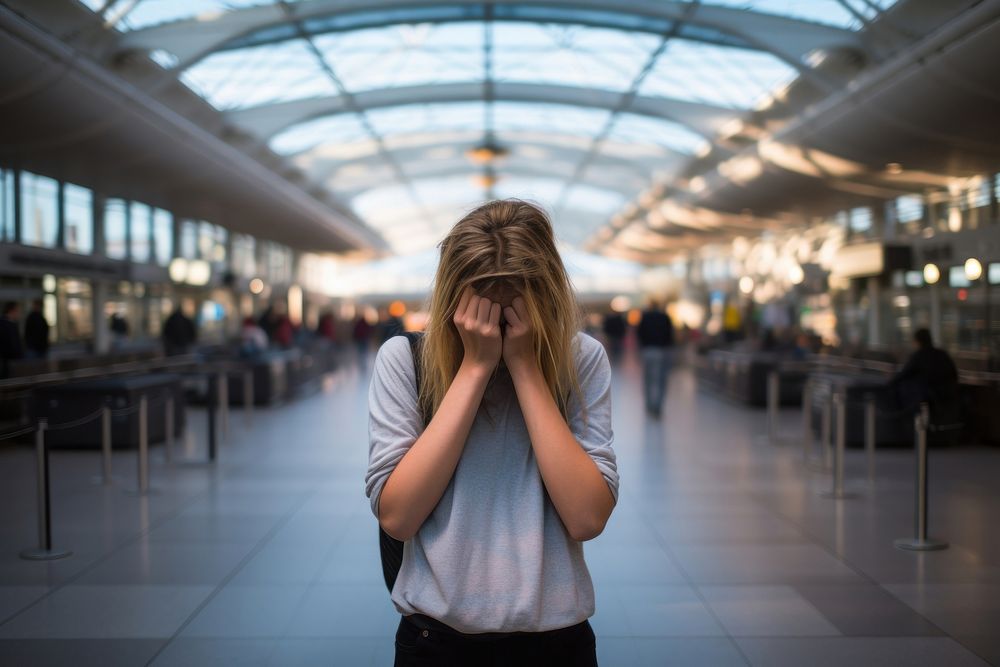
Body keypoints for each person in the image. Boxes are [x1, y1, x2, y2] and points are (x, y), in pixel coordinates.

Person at [366, 200, 617, 666]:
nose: (498, 327)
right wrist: (475, 367)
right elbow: (398, 515)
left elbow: (587, 517)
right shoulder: (404, 360)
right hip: (434, 639)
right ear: (452, 302)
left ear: (547, 298)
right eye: (482, 310)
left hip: (557, 638)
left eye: (514, 311)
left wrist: (525, 367)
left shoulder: (581, 360)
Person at [889, 328, 959, 417]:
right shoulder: (942, 354)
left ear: (917, 341)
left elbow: (904, 374)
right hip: (949, 397)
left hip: (930, 400)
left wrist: (889, 383)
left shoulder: (919, 355)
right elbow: (954, 374)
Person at [636, 298, 675, 418]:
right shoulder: (665, 317)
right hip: (662, 351)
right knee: (660, 380)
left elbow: (640, 333)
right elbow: (670, 335)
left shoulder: (645, 317)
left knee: (648, 380)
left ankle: (649, 405)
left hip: (648, 351)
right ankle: (657, 406)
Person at [0, 301, 23, 378]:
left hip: (12, 361)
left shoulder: (13, 324)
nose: (19, 313)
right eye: (18, 311)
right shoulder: (4, 324)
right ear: (12, 311)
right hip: (6, 361)